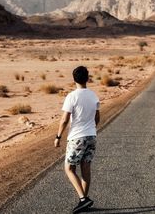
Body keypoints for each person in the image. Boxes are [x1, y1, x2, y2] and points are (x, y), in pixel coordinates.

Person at [54, 66, 100, 214]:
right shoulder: (93, 95)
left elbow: (64, 119)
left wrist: (58, 136)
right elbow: (97, 117)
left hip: (77, 137)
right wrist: (91, 129)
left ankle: (83, 199)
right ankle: (84, 201)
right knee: (85, 168)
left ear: (74, 79)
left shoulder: (72, 96)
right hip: (91, 136)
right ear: (87, 78)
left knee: (69, 168)